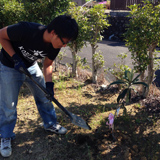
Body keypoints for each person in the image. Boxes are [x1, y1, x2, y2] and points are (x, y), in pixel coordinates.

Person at [0, 15, 78, 158]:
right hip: (9, 66)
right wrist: (15, 58)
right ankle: (6, 136)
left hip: (30, 66)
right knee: (9, 104)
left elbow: (47, 64)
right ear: (54, 32)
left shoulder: (55, 44)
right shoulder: (26, 29)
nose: (65, 45)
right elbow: (1, 35)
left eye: (67, 43)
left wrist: (49, 85)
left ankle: (50, 123)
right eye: (64, 41)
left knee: (44, 97)